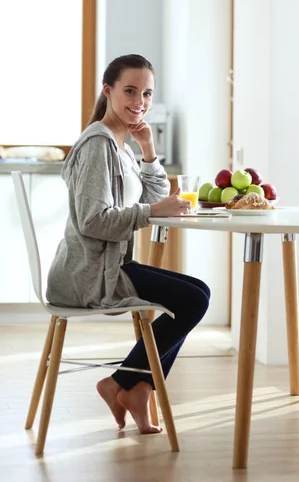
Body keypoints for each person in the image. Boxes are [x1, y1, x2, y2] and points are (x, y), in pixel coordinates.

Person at [47, 54, 210, 434]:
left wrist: (148, 149)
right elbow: (93, 220)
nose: (140, 102)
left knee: (198, 291)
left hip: (112, 264)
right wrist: (151, 209)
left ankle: (132, 385)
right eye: (131, 91)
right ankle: (127, 383)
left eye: (147, 94)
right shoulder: (98, 145)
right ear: (108, 91)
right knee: (194, 300)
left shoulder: (120, 145)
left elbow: (153, 192)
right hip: (89, 274)